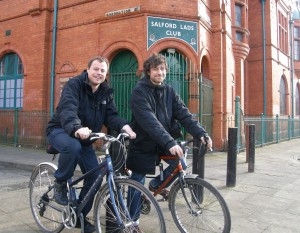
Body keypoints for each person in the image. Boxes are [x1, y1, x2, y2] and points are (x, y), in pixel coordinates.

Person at [46, 56, 136, 233]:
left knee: (95, 177)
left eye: (103, 70)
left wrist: (124, 126)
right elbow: (68, 109)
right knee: (73, 146)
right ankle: (60, 181)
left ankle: (78, 215)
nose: (99, 73)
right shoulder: (74, 85)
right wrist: (77, 127)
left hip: (85, 137)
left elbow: (111, 116)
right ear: (88, 70)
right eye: (96, 69)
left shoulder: (105, 92)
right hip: (61, 129)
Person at [126, 53, 212, 226]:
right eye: (156, 69)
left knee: (180, 162)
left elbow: (184, 114)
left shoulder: (169, 90)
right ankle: (132, 222)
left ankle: (155, 186)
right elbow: (150, 121)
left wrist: (201, 133)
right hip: (143, 143)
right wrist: (170, 142)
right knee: (137, 182)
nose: (160, 72)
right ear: (148, 71)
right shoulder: (139, 92)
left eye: (163, 69)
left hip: (163, 142)